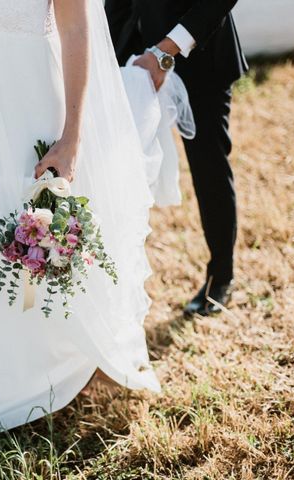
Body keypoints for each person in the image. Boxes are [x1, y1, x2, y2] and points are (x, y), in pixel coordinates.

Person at [0, 0, 162, 466]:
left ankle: (36, 371)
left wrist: (72, 136)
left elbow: (76, 28)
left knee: (25, 266)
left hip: (28, 119)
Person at [105, 0, 248, 316]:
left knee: (208, 166)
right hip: (131, 53)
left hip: (201, 52)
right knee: (114, 167)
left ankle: (221, 276)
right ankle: (114, 278)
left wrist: (166, 50)